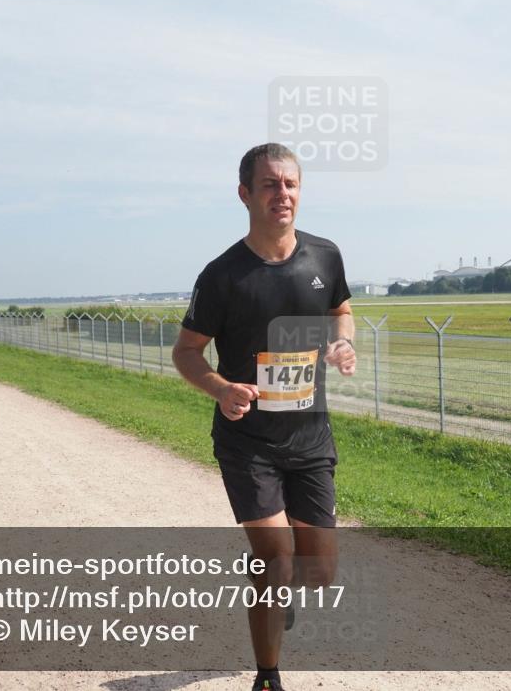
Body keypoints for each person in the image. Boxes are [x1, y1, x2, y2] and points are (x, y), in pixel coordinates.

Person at [172, 143, 356, 691]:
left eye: (291, 184)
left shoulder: (325, 256)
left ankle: (274, 595)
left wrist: (343, 344)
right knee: (276, 560)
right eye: (271, 184)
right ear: (245, 193)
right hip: (247, 440)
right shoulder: (223, 275)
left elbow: (341, 311)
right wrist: (221, 388)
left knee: (318, 574)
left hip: (309, 435)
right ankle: (268, 673)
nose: (283, 194)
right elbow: (186, 352)